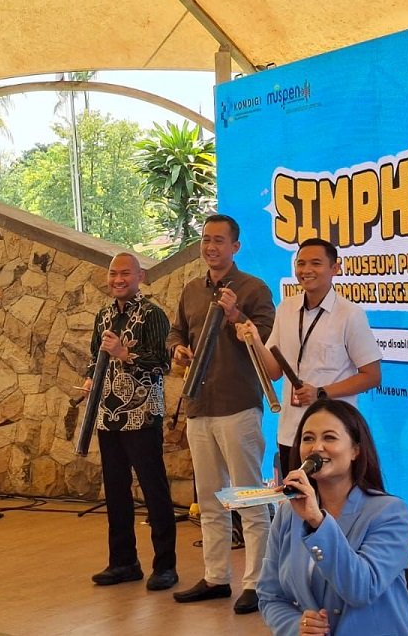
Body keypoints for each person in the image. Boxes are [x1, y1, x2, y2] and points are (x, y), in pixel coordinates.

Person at [166, 214, 276, 614]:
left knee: (248, 498)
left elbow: (266, 340)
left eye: (218, 240)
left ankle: (259, 584)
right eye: (205, 240)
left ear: (235, 247)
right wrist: (177, 349)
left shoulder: (254, 289)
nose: (210, 247)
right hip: (199, 406)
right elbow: (176, 331)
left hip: (238, 405)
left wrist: (236, 317)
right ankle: (216, 578)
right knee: (211, 501)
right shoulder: (192, 290)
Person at [258, 398, 408, 636]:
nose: (316, 447)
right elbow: (270, 595)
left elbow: (362, 589)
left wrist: (317, 523)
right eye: (308, 438)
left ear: (355, 450)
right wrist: (297, 626)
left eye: (329, 438)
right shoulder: (288, 513)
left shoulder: (390, 513)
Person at [238, 237, 381, 471]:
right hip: (291, 434)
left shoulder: (350, 314)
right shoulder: (286, 308)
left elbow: (372, 376)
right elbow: (274, 371)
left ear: (335, 268)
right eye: (301, 263)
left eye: (316, 263)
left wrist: (322, 393)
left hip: (333, 435)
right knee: (295, 493)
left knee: (331, 495)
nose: (306, 270)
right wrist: (254, 340)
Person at [83, 252, 178, 591]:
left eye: (125, 273)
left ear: (140, 277)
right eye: (113, 273)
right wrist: (89, 378)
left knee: (154, 490)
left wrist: (125, 355)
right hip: (109, 415)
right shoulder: (104, 315)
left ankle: (165, 566)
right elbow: (94, 357)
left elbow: (162, 364)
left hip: (142, 414)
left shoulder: (153, 314)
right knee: (116, 490)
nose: (118, 279)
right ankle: (123, 562)